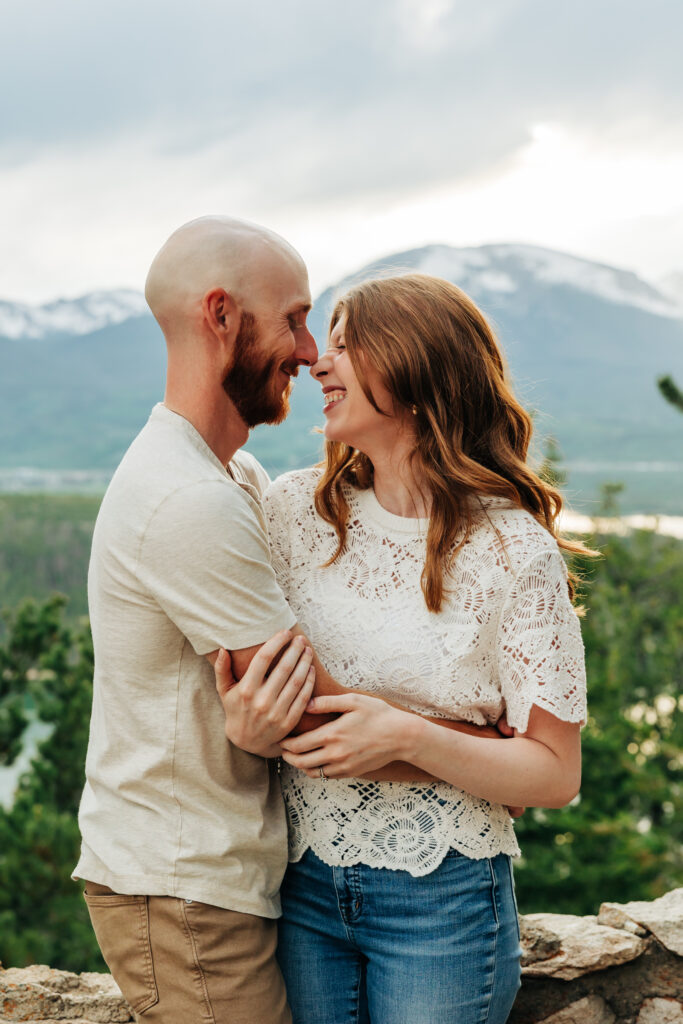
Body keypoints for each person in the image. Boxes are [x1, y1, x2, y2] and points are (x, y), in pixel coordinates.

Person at [74, 217, 504, 1024]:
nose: (310, 354)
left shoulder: (232, 474)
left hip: (223, 875)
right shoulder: (188, 499)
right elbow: (312, 717)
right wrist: (492, 763)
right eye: (296, 320)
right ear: (221, 316)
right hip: (184, 885)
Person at [247, 274, 591, 1024]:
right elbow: (266, 695)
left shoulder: (511, 551)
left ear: (411, 371)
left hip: (444, 898)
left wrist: (404, 733)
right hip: (296, 880)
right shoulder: (291, 514)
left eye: (345, 346)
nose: (318, 364)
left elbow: (553, 772)